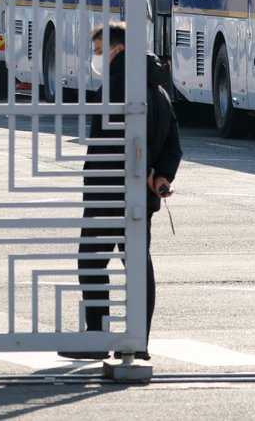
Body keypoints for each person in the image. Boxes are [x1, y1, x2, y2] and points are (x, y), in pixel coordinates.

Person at [58, 21, 183, 363]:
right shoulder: (158, 89)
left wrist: (139, 171)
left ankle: (97, 336)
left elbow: (117, 140)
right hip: (142, 194)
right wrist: (161, 177)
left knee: (91, 260)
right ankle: (138, 340)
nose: (96, 58)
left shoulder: (118, 86)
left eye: (100, 51)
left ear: (119, 49)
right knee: (137, 264)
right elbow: (173, 145)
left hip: (111, 189)